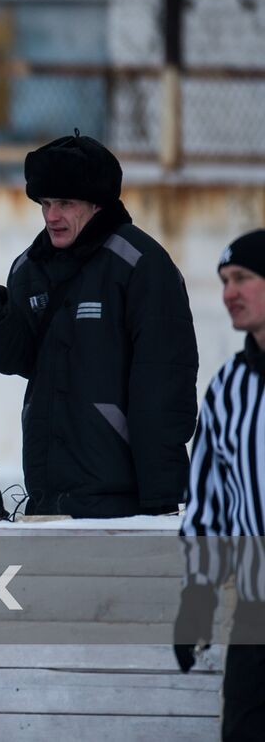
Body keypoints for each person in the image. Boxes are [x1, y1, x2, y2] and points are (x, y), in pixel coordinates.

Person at [0, 132, 198, 518]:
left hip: (123, 499)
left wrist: (161, 497)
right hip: (47, 494)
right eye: (45, 203)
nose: (52, 216)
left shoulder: (141, 264)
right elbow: (22, 359)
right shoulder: (30, 267)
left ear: (97, 204)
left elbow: (164, 384)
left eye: (65, 203)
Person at [173, 229, 265, 740]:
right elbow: (209, 502)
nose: (230, 292)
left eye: (244, 278)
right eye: (225, 280)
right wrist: (199, 598)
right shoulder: (229, 387)